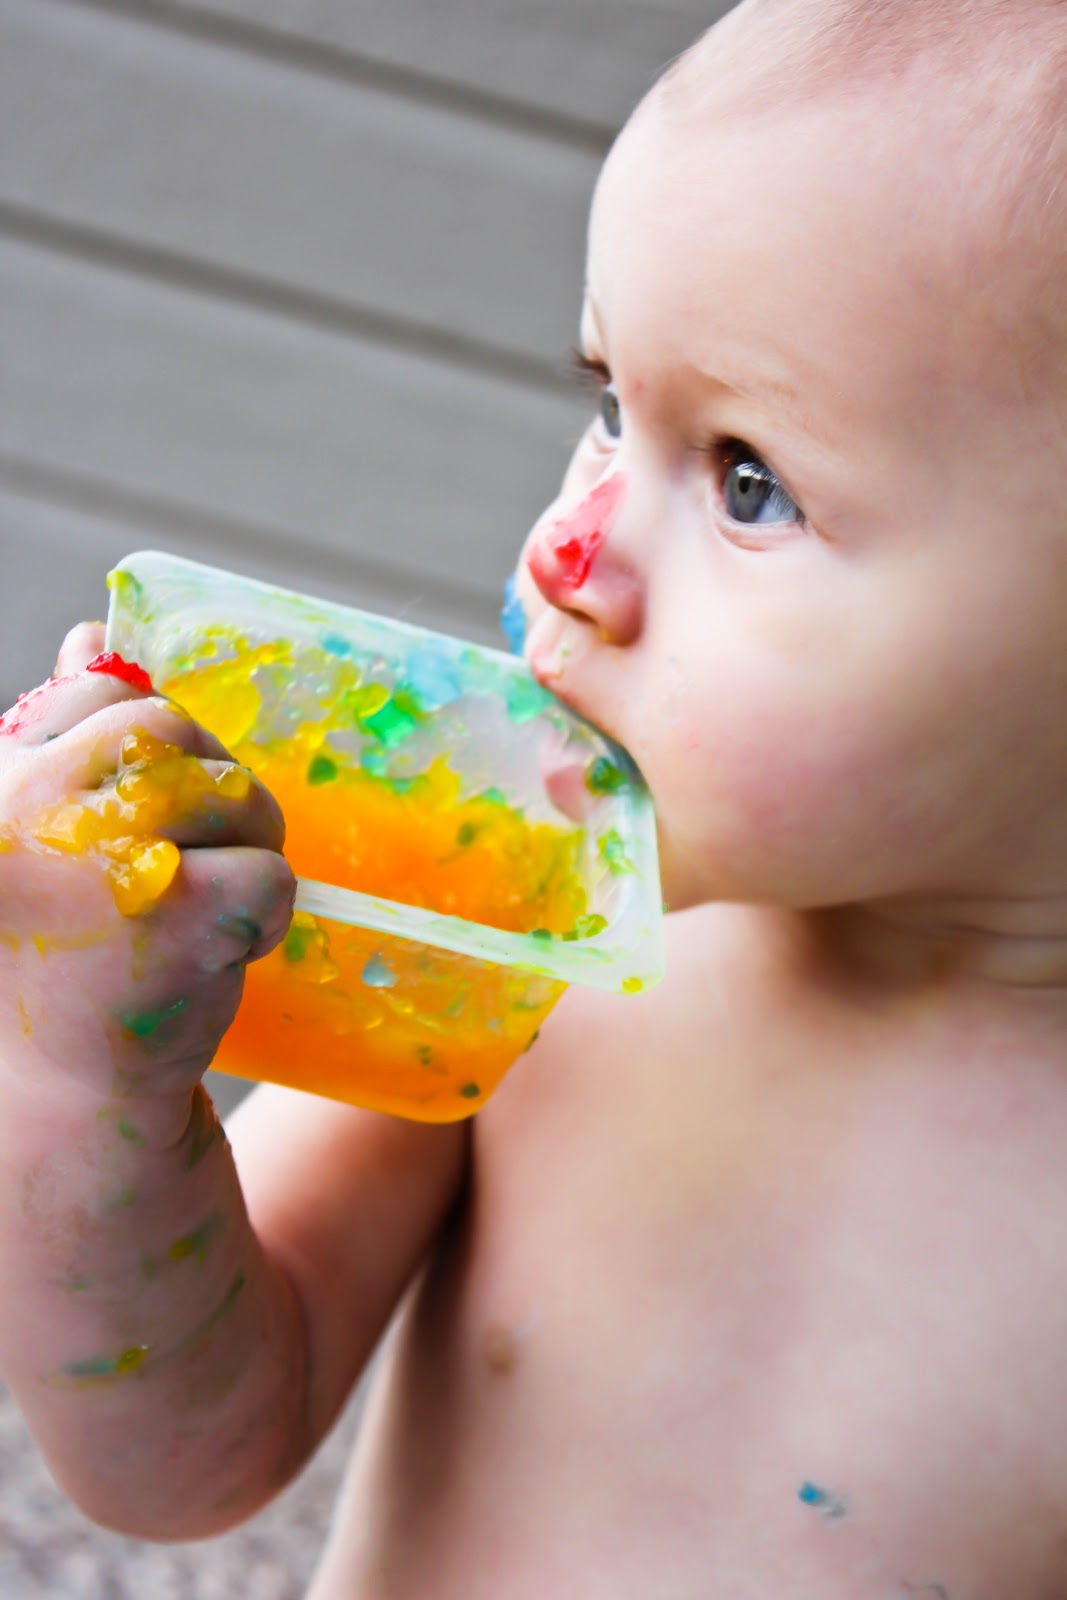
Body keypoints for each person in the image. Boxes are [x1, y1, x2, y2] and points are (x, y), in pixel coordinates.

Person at [3, 0, 1067, 1593]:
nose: (568, 549)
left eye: (748, 480)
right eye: (605, 405)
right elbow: (184, 1463)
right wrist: (92, 1084)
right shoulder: (508, 929)